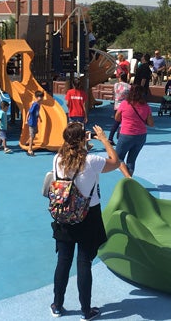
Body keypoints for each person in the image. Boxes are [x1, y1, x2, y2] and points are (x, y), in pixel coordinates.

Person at [49, 123, 131, 320]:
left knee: (63, 260)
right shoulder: (91, 160)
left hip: (64, 214)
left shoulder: (57, 158)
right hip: (88, 214)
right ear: (83, 139)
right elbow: (116, 161)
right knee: (84, 262)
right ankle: (86, 310)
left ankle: (57, 305)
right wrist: (103, 138)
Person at [114, 84, 154, 175]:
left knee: (118, 158)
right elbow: (151, 123)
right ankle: (129, 180)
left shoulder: (124, 104)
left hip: (126, 134)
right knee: (131, 160)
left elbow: (117, 118)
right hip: (141, 135)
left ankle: (128, 177)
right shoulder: (146, 107)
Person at [108, 73, 130, 145]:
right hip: (125, 106)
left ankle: (110, 138)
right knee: (124, 122)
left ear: (120, 78)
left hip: (117, 106)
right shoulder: (129, 87)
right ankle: (120, 136)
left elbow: (113, 93)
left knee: (116, 122)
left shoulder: (116, 85)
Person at [26, 90, 44, 157]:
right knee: (32, 135)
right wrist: (27, 119)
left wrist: (39, 117)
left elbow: (37, 112)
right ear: (36, 97)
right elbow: (30, 111)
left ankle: (29, 141)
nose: (41, 98)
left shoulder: (38, 105)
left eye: (42, 97)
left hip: (35, 122)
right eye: (40, 97)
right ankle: (30, 150)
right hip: (32, 122)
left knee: (35, 132)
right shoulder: (35, 104)